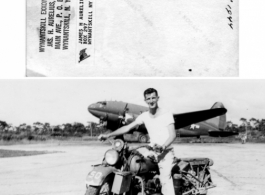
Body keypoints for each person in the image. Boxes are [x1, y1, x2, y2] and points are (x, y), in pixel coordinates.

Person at [98, 88, 176, 195]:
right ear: (145, 100)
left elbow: (173, 135)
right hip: (152, 150)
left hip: (165, 152)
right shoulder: (144, 116)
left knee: (165, 180)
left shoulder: (166, 114)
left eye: (153, 98)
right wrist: (108, 135)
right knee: (132, 163)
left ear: (158, 98)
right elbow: (128, 128)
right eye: (148, 99)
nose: (151, 101)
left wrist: (163, 146)